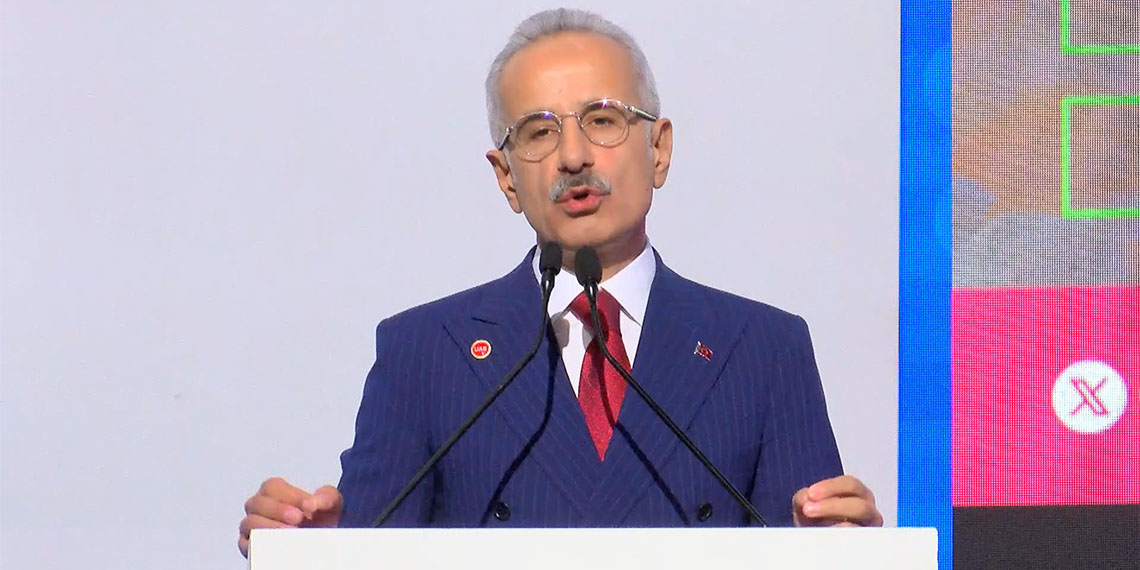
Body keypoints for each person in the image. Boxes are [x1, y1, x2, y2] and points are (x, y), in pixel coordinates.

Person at [238, 8, 882, 558]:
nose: (573, 157)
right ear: (506, 177)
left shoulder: (764, 349)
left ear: (658, 150)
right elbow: (371, 547)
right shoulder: (425, 352)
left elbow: (813, 543)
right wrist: (320, 550)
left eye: (602, 120)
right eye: (539, 133)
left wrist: (838, 549)